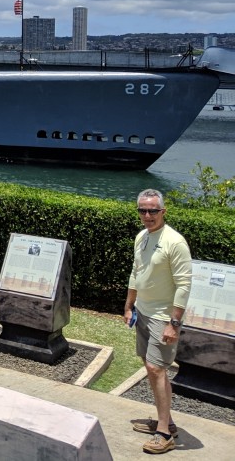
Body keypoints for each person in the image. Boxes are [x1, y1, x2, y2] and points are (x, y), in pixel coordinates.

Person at [126, 188, 192, 455]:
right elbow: (136, 272)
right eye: (143, 210)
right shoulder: (142, 236)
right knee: (152, 367)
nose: (147, 215)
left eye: (153, 210)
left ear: (163, 211)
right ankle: (168, 422)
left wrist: (173, 323)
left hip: (163, 317)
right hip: (143, 311)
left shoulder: (174, 242)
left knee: (156, 368)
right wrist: (129, 305)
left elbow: (184, 285)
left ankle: (164, 433)